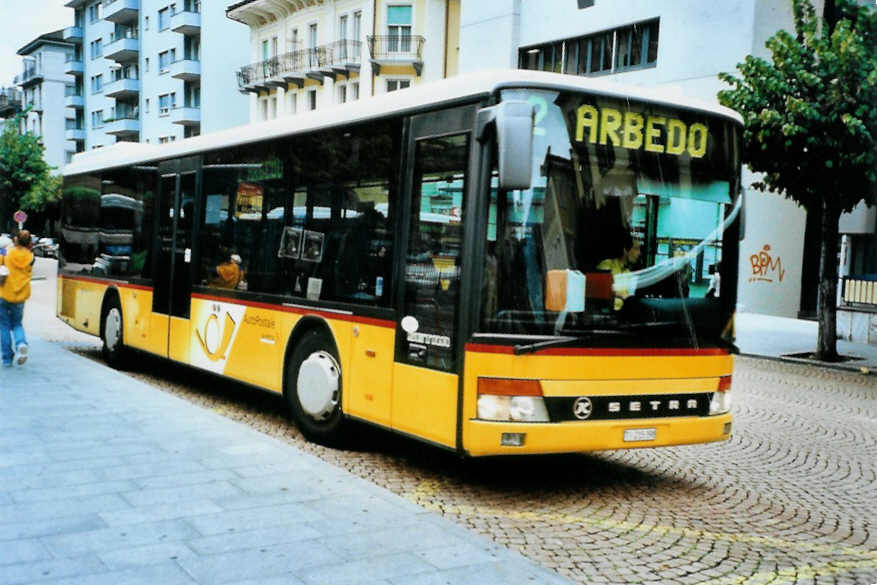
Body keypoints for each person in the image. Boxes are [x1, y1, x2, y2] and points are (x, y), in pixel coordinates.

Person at [0, 230, 35, 367]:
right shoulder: (31, 257)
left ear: (16, 240)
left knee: (3, 326)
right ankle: (21, 343)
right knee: (17, 324)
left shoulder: (6, 252)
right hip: (20, 295)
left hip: (3, 293)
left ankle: (7, 358)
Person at [597, 232, 641, 310]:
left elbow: (628, 298)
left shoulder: (629, 274)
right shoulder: (607, 265)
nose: (639, 253)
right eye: (636, 249)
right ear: (625, 250)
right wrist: (620, 295)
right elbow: (601, 291)